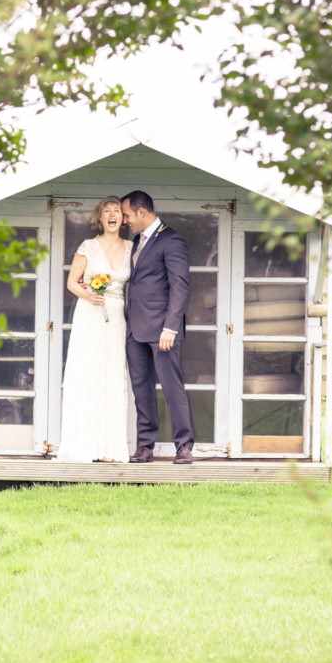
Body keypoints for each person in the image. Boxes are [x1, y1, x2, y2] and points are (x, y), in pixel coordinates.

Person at [56, 197, 134, 462]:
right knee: (87, 372)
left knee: (113, 374)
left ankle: (111, 448)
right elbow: (72, 283)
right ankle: (84, 445)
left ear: (124, 219)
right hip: (89, 314)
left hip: (117, 315)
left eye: (116, 211)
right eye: (106, 211)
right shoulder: (88, 247)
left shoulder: (131, 248)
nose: (112, 215)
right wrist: (89, 296)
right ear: (99, 218)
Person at [121, 190, 195, 464]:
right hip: (135, 329)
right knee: (141, 388)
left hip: (163, 330)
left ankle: (184, 446)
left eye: (127, 215)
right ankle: (145, 446)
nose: (125, 220)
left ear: (142, 212)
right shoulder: (136, 240)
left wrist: (171, 328)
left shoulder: (171, 240)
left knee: (171, 386)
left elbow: (180, 286)